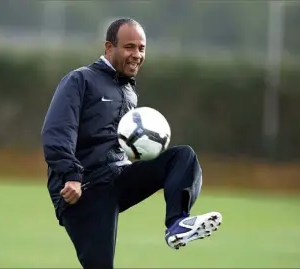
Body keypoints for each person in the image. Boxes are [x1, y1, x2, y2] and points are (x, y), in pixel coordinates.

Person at [41, 18, 222, 269]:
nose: (137, 54)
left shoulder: (128, 91)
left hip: (117, 178)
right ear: (108, 47)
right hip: (83, 191)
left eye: (141, 48)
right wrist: (72, 175)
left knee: (183, 157)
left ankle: (177, 223)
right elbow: (57, 132)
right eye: (129, 47)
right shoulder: (80, 80)